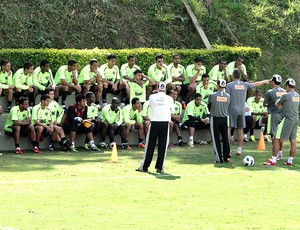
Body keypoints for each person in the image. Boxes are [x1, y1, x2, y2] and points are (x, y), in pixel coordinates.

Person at [226, 69, 270, 156]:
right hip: (241, 111)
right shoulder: (244, 84)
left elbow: (227, 98)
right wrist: (264, 81)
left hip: (231, 111)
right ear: (240, 76)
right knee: (240, 130)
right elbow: (256, 84)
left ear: (233, 76)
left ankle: (228, 150)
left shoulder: (229, 85)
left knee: (229, 129)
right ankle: (239, 151)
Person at [136, 82, 174, 173]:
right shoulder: (169, 98)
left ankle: (145, 166)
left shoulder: (152, 97)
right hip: (165, 123)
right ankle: (160, 167)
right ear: (165, 89)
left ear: (158, 88)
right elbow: (171, 110)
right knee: (163, 146)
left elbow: (151, 105)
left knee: (150, 146)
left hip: (155, 123)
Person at [264, 78, 299, 166]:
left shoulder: (286, 95)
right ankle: (290, 160)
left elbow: (277, 104)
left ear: (287, 86)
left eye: (286, 86)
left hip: (287, 119)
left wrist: (281, 105)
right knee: (293, 140)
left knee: (276, 138)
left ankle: (273, 160)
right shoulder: (297, 95)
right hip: (295, 119)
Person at [208, 79, 231, 163]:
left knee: (216, 139)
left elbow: (209, 106)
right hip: (224, 118)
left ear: (217, 85)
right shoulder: (228, 96)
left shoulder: (212, 95)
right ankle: (227, 157)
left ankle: (219, 158)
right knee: (225, 138)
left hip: (215, 118)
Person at [263, 74, 285, 159]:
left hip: (274, 115)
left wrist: (270, 104)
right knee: (281, 135)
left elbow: (264, 103)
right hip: (283, 115)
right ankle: (280, 152)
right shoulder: (284, 91)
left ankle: (275, 155)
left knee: (274, 135)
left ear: (273, 81)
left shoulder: (270, 92)